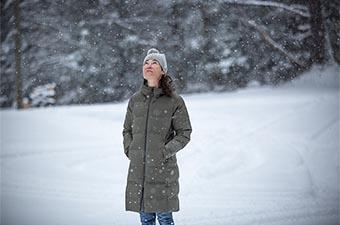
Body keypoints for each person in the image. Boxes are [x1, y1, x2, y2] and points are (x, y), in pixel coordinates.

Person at [122, 48, 192, 225]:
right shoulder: (135, 100)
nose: (149, 65)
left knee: (164, 218)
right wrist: (131, 150)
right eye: (146, 62)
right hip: (139, 170)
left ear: (163, 71)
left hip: (163, 169)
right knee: (145, 219)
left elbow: (184, 133)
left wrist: (164, 151)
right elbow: (126, 130)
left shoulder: (174, 101)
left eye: (154, 63)